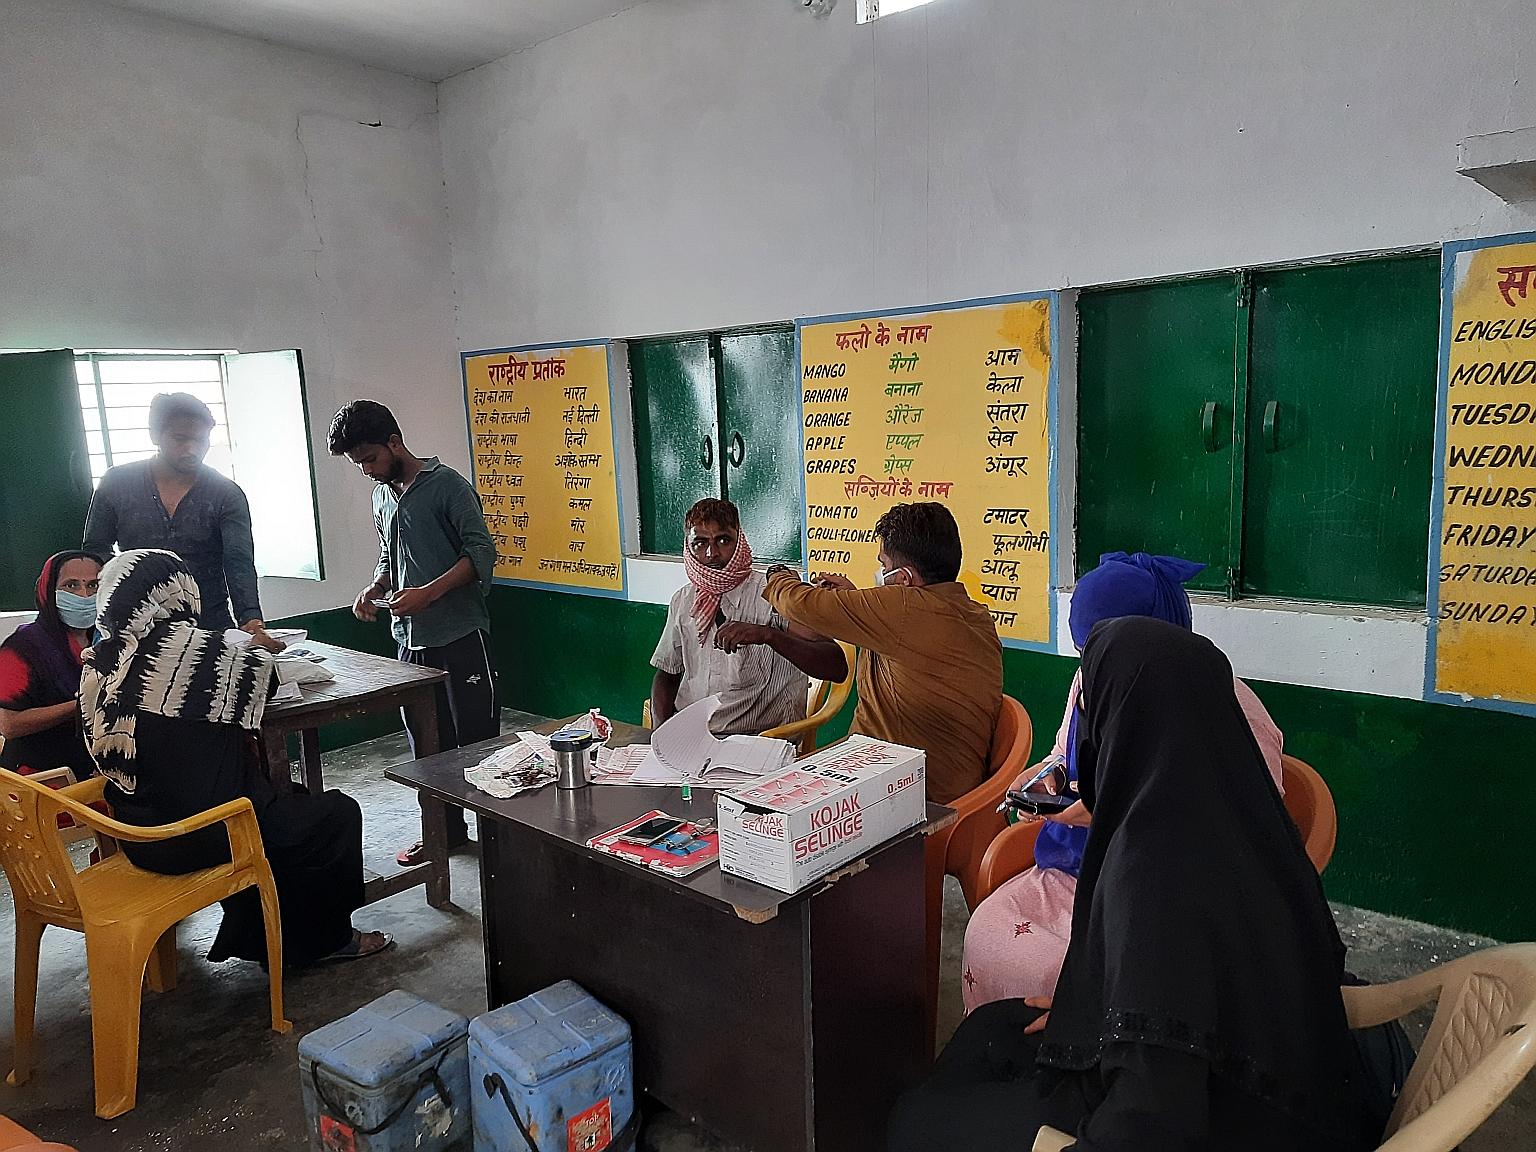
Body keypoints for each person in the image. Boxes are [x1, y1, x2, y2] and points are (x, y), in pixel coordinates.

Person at [888, 618, 1386, 1152]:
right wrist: (1098, 1009)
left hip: (1223, 1110)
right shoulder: (1250, 827)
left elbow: (1151, 1118)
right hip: (1248, 1066)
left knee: (913, 1120)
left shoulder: (1153, 870)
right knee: (988, 1028)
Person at [960, 551, 1285, 1013]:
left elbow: (1242, 832)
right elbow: (1063, 753)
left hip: (1170, 890)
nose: (1095, 666)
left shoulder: (1232, 712)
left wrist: (1106, 814)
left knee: (1064, 967)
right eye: (1087, 652)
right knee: (988, 930)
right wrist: (1048, 779)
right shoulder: (1092, 682)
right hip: (1081, 867)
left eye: (1109, 646)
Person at [79, 550, 390, 965]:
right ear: (177, 592)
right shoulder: (206, 654)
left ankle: (263, 936)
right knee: (334, 813)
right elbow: (267, 678)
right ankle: (328, 941)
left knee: (284, 800)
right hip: (204, 835)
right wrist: (255, 646)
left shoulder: (99, 660)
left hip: (137, 833)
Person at [328, 399, 497, 867]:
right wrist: (373, 587)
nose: (365, 470)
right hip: (410, 642)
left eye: (369, 459)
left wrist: (429, 593)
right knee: (426, 744)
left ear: (394, 443)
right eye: (357, 463)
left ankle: (500, 840)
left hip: (461, 635)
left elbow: (481, 553)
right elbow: (390, 557)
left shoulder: (448, 488)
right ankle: (443, 833)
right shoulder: (381, 494)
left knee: (479, 744)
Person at [764, 502, 1002, 804]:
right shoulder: (973, 613)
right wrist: (854, 599)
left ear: (903, 579)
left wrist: (778, 576)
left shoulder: (904, 610)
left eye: (884, 566)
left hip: (910, 794)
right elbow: (904, 636)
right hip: (946, 785)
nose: (881, 573)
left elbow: (801, 605)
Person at [82, 392, 281, 651]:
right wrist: (116, 601)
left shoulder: (225, 493)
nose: (192, 449)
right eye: (180, 439)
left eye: (201, 440)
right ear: (155, 435)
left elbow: (238, 561)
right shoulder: (117, 483)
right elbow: (96, 550)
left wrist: (251, 619)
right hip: (136, 626)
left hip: (209, 623)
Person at [650, 499, 847, 735]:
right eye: (700, 543)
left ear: (739, 540)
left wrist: (768, 635)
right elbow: (667, 674)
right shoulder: (683, 600)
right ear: (687, 545)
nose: (712, 553)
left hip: (760, 739)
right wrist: (659, 733)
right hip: (694, 737)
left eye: (723, 540)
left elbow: (836, 666)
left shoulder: (773, 594)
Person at [0, 551, 102, 777]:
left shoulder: (107, 639)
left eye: (94, 585)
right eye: (71, 586)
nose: (85, 595)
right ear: (49, 590)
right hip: (38, 776)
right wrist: (78, 706)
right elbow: (8, 725)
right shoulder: (22, 646)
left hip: (92, 770)